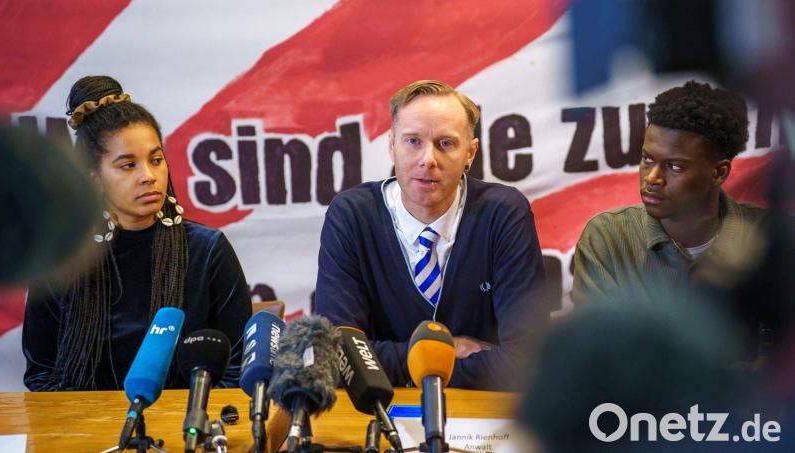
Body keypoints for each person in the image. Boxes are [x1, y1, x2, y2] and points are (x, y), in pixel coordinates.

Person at [22, 76, 251, 391]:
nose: (149, 176)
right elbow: (42, 375)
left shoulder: (207, 250)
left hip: (187, 431)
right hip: (85, 431)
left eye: (156, 160)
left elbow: (237, 371)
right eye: (128, 166)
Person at [315, 80, 547, 390]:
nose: (428, 159)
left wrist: (386, 360)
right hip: (380, 412)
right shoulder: (352, 216)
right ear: (391, 145)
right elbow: (335, 355)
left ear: (470, 152)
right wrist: (444, 355)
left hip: (483, 417)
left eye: (445, 143)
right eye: (412, 141)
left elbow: (528, 359)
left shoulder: (503, 213)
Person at [572, 80, 769, 305]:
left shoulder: (772, 239)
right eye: (647, 159)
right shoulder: (610, 238)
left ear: (718, 173)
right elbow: (597, 339)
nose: (652, 178)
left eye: (674, 166)